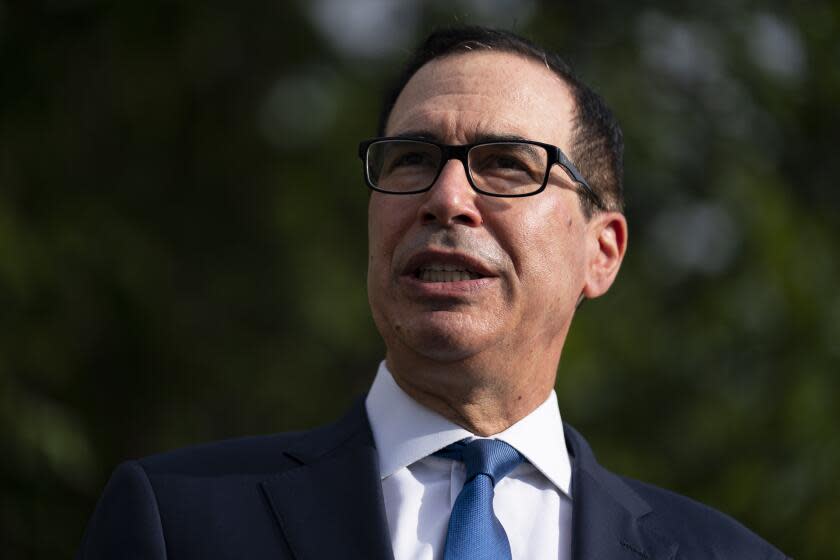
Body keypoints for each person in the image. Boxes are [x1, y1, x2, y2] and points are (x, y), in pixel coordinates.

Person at [77, 26, 788, 559]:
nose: (447, 198)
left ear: (601, 253)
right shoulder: (175, 520)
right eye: (412, 159)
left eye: (507, 165)